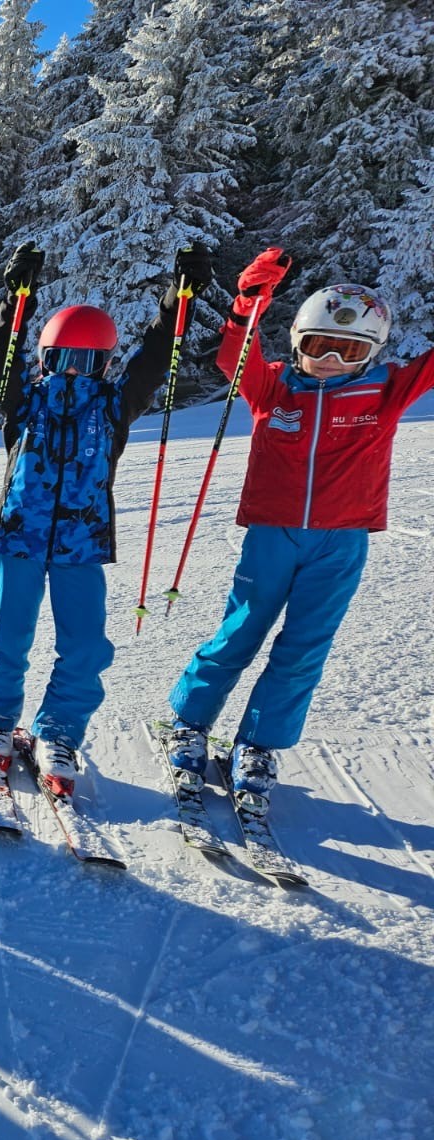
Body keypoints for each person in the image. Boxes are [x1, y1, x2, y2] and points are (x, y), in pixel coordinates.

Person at [163, 249, 434, 810]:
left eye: (349, 350)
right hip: (272, 534)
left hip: (341, 541)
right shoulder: (273, 388)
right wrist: (247, 302)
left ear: (372, 353)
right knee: (240, 631)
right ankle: (189, 722)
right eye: (317, 346)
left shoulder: (385, 392)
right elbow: (234, 357)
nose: (330, 360)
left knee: (304, 646)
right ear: (297, 343)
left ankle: (258, 744)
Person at [0, 242, 214, 794]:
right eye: (63, 359)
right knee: (9, 636)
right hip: (20, 538)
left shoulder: (113, 405)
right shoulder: (24, 400)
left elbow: (155, 358)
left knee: (84, 646)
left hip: (81, 545)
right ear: (44, 359)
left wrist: (180, 300)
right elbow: (0, 358)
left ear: (104, 364)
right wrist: (16, 298)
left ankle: (58, 731)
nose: (73, 371)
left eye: (86, 361)